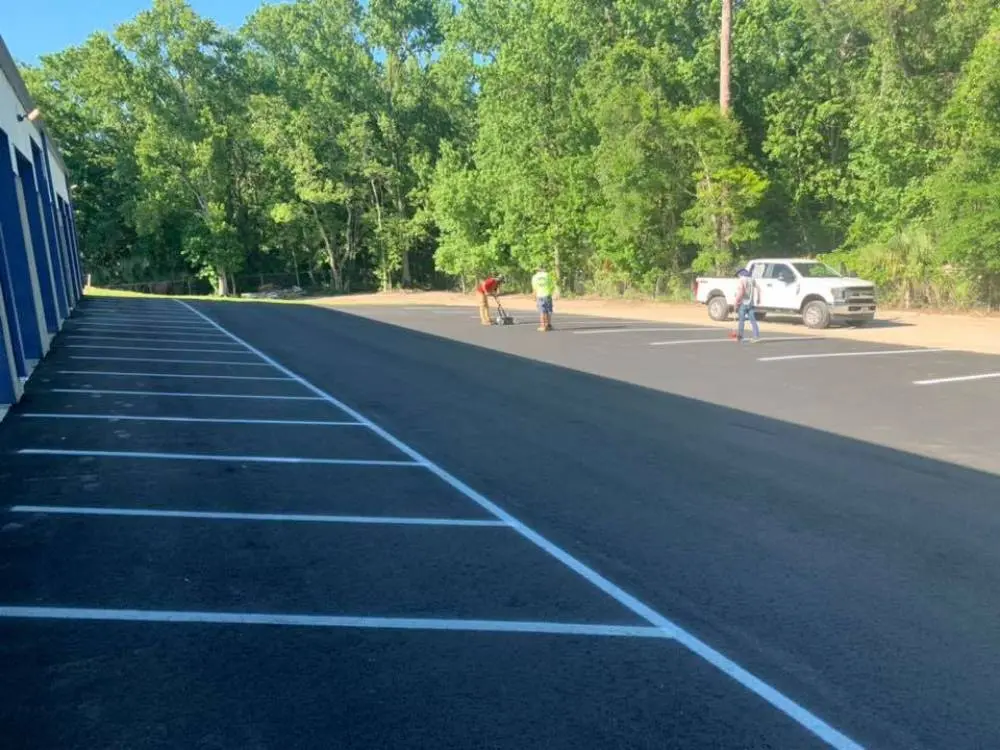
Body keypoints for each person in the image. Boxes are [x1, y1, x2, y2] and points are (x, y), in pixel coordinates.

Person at [734, 268, 760, 343]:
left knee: (741, 320)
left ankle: (740, 337)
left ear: (740, 274)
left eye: (738, 275)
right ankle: (756, 336)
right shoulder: (752, 279)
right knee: (753, 320)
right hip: (751, 303)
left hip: (743, 302)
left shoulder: (742, 279)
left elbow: (742, 290)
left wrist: (736, 301)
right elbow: (758, 288)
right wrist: (758, 298)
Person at [531, 266, 556, 331]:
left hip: (539, 295)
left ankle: (543, 326)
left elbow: (534, 288)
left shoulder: (535, 277)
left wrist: (534, 296)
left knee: (542, 311)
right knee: (548, 311)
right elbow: (552, 286)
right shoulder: (548, 275)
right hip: (547, 295)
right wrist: (551, 292)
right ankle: (548, 325)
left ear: (537, 270)